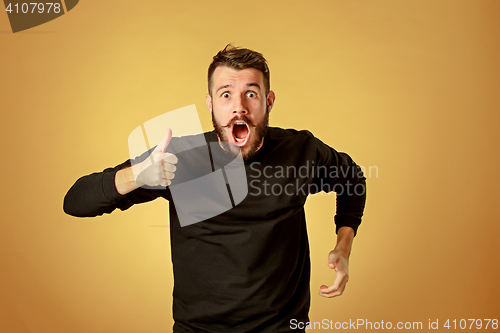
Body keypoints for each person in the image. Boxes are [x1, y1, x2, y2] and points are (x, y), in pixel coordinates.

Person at [64, 44, 366, 332]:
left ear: (268, 101)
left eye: (251, 93)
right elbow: (75, 201)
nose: (239, 108)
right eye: (226, 95)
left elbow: (352, 179)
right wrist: (138, 175)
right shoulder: (179, 158)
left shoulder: (301, 152)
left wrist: (343, 245)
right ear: (210, 103)